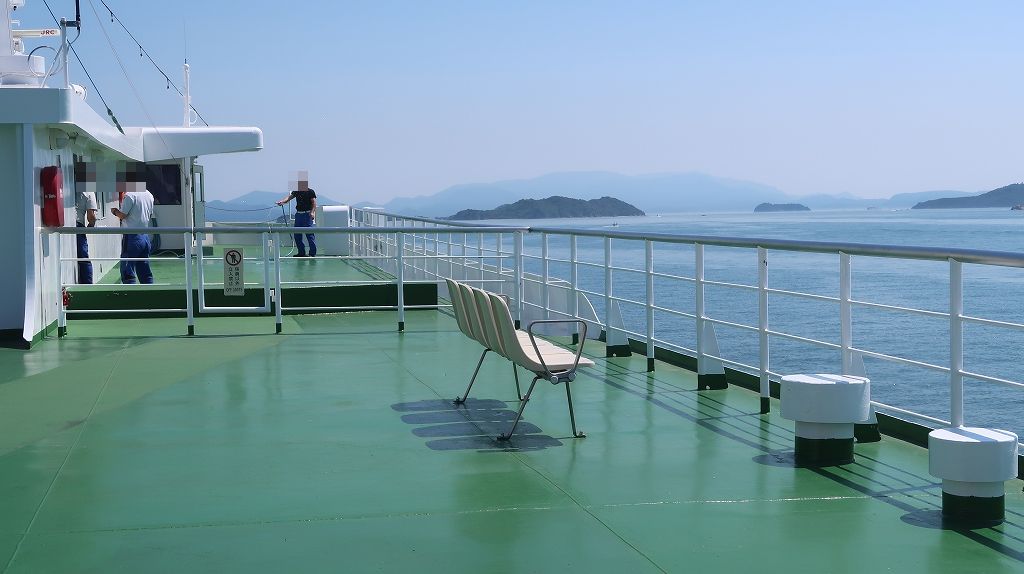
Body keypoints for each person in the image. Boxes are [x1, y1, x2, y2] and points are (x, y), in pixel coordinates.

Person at [110, 161, 155, 284]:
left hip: (132, 237)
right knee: (144, 268)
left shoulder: (130, 195)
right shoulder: (149, 194)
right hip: (145, 237)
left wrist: (114, 211)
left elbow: (123, 215)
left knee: (127, 269)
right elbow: (150, 214)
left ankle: (129, 292)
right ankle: (149, 290)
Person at [276, 173, 317, 257]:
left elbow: (314, 203)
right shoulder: (297, 192)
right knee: (297, 234)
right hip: (299, 215)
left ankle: (312, 253)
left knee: (309, 234)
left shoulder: (310, 191)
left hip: (307, 214)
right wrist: (282, 202)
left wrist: (312, 212)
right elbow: (289, 198)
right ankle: (301, 252)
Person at [73, 161, 98, 284]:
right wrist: (91, 225)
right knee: (83, 257)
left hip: (63, 225)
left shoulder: (69, 185)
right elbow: (91, 216)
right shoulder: (89, 191)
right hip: (78, 226)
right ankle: (87, 285)